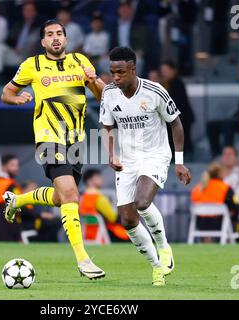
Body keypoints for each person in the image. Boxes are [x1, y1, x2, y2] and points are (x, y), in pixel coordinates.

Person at [1, 19, 106, 280]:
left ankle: (17, 200)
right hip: (49, 138)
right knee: (71, 194)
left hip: (76, 140)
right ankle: (83, 260)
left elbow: (103, 96)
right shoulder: (32, 65)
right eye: (50, 34)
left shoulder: (81, 61)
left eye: (59, 33)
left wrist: (94, 81)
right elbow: (6, 93)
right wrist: (17, 99)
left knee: (61, 198)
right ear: (43, 41)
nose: (55, 38)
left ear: (66, 39)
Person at [99, 46, 191, 286]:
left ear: (133, 69)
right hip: (127, 160)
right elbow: (107, 127)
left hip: (155, 155)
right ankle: (156, 267)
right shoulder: (109, 93)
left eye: (120, 72)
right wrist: (111, 155)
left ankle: (163, 246)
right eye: (112, 72)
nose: (115, 77)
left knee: (142, 202)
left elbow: (176, 124)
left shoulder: (154, 91)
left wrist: (179, 163)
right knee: (128, 220)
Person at [191, 163, 239, 240]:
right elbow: (236, 206)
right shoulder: (225, 188)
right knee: (232, 218)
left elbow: (194, 203)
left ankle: (207, 240)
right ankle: (228, 240)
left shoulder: (198, 188)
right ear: (220, 174)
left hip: (200, 223)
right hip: (218, 223)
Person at [80, 169, 128, 243]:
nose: (101, 179)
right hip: (105, 234)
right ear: (89, 181)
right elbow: (113, 217)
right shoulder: (99, 198)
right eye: (97, 177)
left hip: (88, 235)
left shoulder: (82, 198)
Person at [160, 61, 195, 157]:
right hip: (174, 118)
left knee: (183, 141)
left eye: (166, 70)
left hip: (182, 118)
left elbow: (177, 103)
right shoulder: (165, 83)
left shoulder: (177, 84)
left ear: (173, 71)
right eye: (163, 71)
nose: (164, 73)